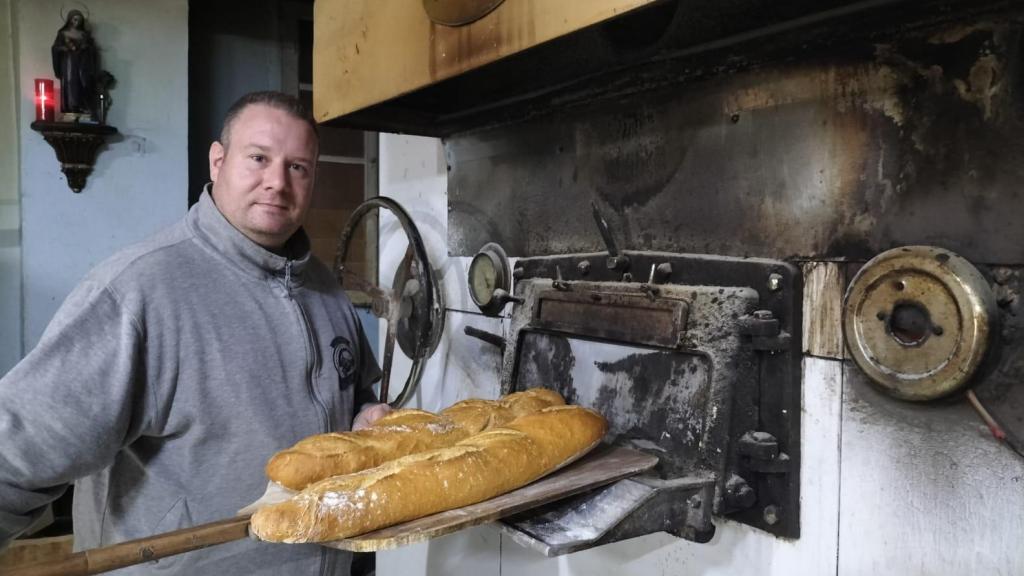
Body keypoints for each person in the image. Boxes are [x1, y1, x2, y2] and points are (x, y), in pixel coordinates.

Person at [0, 91, 391, 574]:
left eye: (297, 167)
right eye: (259, 158)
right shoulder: (138, 291)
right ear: (218, 161)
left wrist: (365, 418)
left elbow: (351, 400)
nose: (277, 182)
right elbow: (14, 454)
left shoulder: (327, 291)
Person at [51, 9, 97, 116]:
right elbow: (55, 48)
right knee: (70, 83)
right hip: (69, 63)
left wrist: (87, 48)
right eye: (75, 19)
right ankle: (70, 108)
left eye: (79, 20)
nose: (77, 22)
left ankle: (82, 106)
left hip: (82, 63)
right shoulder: (63, 34)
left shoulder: (84, 35)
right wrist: (64, 48)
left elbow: (91, 50)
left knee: (83, 82)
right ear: (70, 20)